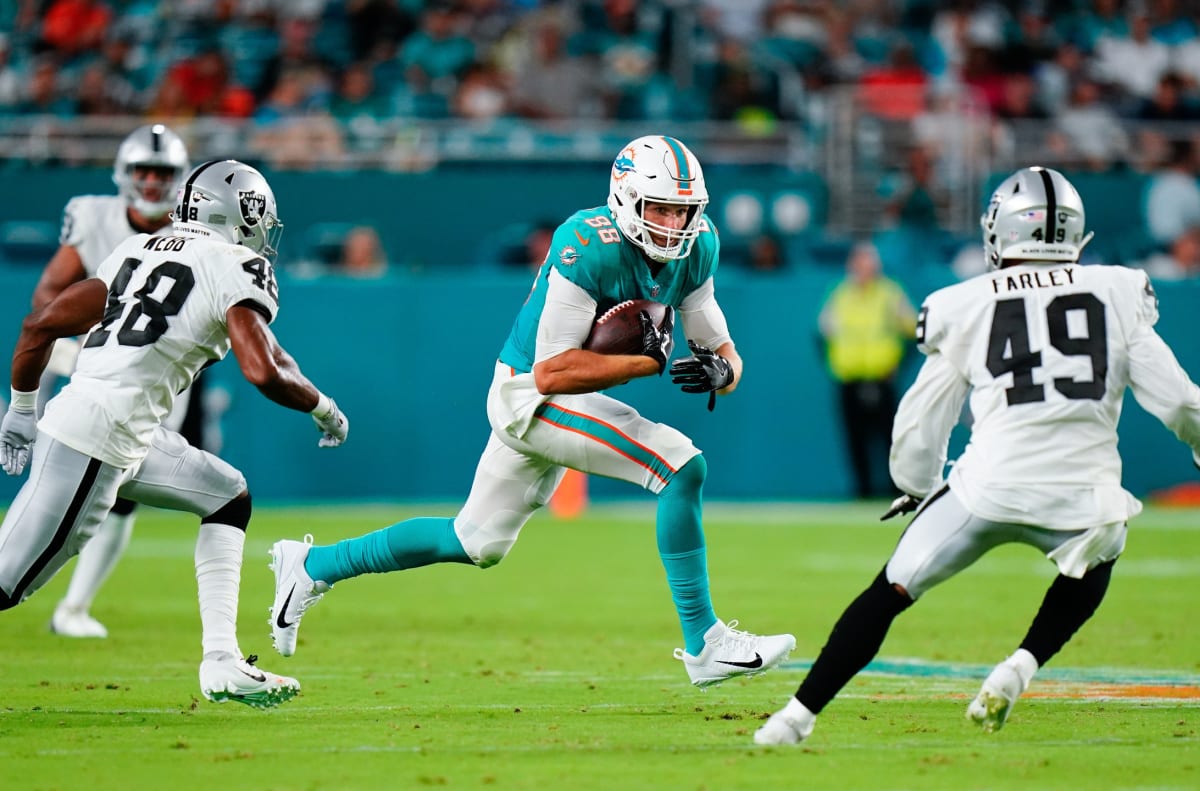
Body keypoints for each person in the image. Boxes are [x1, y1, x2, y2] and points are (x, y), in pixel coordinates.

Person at [268, 134, 796, 687]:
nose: (673, 224)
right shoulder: (585, 245)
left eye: (684, 211)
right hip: (531, 396)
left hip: (556, 396)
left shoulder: (698, 246)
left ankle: (312, 566)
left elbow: (720, 344)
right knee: (682, 468)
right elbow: (552, 372)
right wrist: (643, 363)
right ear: (626, 198)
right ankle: (705, 642)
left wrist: (723, 372)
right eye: (660, 207)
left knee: (475, 542)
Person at [756, 166, 1200, 746]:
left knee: (891, 589)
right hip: (1081, 494)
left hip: (987, 486)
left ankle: (795, 717)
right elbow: (1179, 400)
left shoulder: (966, 302)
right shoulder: (1116, 292)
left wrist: (916, 484)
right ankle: (1021, 664)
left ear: (1005, 232)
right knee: (1100, 553)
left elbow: (921, 418)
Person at [0, 159, 350, 708]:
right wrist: (323, 406)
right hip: (98, 442)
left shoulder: (139, 248)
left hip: (110, 427)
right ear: (241, 213)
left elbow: (40, 324)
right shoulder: (234, 264)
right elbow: (261, 368)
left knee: (227, 495)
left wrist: (22, 406)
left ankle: (222, 662)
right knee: (4, 585)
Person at [32, 123, 193, 639]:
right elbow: (49, 296)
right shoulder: (94, 215)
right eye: (143, 170)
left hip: (162, 377)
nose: (151, 181)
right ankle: (56, 598)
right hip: (96, 370)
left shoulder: (199, 229)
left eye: (162, 172)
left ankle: (74, 607)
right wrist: (72, 349)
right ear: (125, 173)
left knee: (124, 490)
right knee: (61, 477)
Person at [818, 242, 916, 499]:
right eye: (858, 263)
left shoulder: (890, 294)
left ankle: (896, 491)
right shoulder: (840, 295)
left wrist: (896, 366)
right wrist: (836, 366)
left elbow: (912, 331)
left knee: (889, 440)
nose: (863, 269)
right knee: (855, 441)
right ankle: (862, 492)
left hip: (881, 378)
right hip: (849, 379)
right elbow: (823, 334)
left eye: (868, 263)